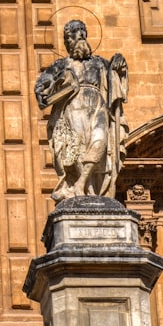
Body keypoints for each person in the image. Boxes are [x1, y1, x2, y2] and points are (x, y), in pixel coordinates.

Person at [34, 19, 128, 201]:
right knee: (78, 148)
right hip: (73, 107)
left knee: (100, 141)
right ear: (68, 41)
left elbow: (116, 80)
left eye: (83, 32)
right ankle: (86, 187)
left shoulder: (100, 63)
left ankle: (81, 183)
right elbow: (41, 90)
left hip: (98, 106)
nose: (81, 35)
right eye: (75, 34)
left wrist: (119, 65)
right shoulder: (60, 66)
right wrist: (57, 83)